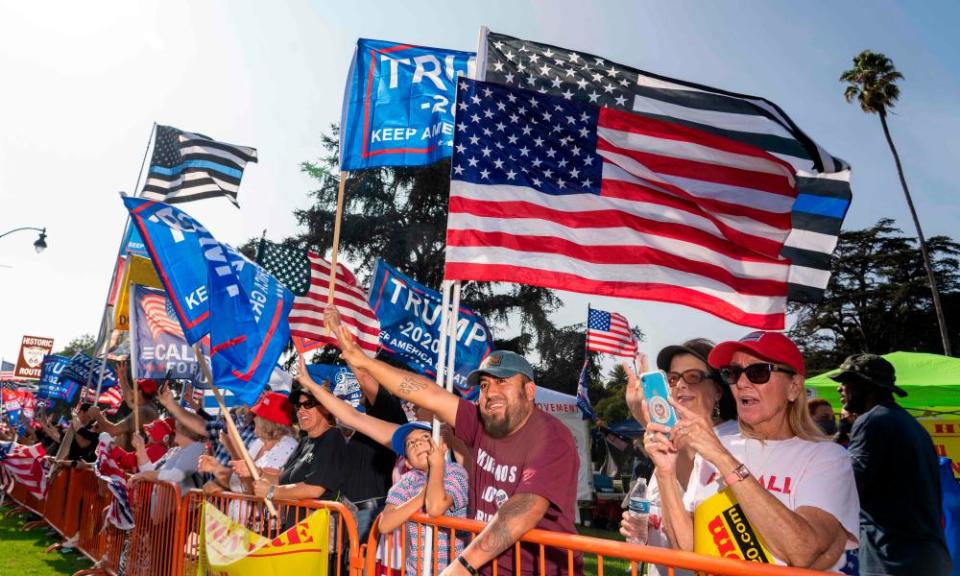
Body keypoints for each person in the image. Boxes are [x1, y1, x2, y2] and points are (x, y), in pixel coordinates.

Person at [328, 309, 580, 576]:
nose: (491, 392)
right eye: (484, 385)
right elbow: (430, 394)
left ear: (529, 391)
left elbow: (525, 507)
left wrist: (462, 566)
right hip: (486, 566)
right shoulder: (482, 421)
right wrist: (364, 362)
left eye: (503, 382)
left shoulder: (551, 437)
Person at [647, 331, 859, 571]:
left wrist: (723, 460)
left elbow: (802, 551)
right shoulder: (717, 448)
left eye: (759, 372)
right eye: (733, 373)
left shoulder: (826, 457)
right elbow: (689, 548)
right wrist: (665, 472)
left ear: (794, 387)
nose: (741, 383)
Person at [620, 339, 738, 576]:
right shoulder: (671, 438)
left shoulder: (735, 442)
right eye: (673, 379)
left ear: (717, 389)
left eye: (693, 377)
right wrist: (644, 526)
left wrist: (644, 419)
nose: (680, 385)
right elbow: (666, 507)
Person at [834, 353, 952, 575]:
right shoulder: (909, 423)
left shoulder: (872, 422)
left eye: (846, 381)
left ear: (867, 386)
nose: (840, 388)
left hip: (892, 558)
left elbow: (849, 487)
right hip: (927, 557)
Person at [379, 422, 469, 575]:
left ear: (443, 446)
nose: (417, 443)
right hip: (417, 571)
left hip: (453, 570)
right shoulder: (407, 481)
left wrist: (437, 467)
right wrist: (421, 497)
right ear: (407, 462)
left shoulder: (456, 472)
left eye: (426, 437)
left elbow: (436, 508)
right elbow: (385, 524)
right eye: (410, 443)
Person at [252, 386, 347, 527]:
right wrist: (256, 472)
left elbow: (315, 488)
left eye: (308, 404)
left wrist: (272, 492)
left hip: (318, 532)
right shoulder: (304, 441)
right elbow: (282, 480)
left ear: (326, 408)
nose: (301, 410)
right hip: (297, 529)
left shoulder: (332, 437)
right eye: (298, 406)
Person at [200, 392, 298, 497]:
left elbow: (257, 490)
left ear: (268, 421)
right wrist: (216, 468)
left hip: (260, 513)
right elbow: (236, 482)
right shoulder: (259, 443)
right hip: (239, 512)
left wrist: (233, 443)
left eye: (257, 414)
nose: (253, 417)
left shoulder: (287, 446)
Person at [89, 362, 160, 450]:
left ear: (140, 392)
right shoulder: (147, 406)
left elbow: (113, 431)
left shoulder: (143, 412)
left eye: (135, 389)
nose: (133, 391)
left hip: (128, 461)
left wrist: (97, 415)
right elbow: (128, 396)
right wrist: (122, 376)